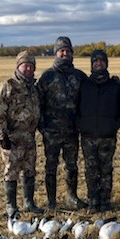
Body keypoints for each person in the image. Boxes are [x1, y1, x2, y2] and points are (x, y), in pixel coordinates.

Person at [37, 36, 87, 209]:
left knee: (71, 165)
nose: (65, 54)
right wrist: (42, 127)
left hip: (72, 131)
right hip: (51, 132)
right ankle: (52, 201)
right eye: (61, 51)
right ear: (55, 53)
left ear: (72, 53)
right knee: (51, 166)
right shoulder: (47, 77)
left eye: (68, 51)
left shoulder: (79, 76)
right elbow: (38, 103)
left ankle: (71, 197)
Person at [0, 50, 41, 217]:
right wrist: (2, 136)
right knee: (11, 171)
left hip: (29, 138)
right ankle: (11, 206)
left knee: (30, 170)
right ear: (18, 66)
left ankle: (29, 203)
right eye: (25, 65)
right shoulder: (8, 85)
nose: (28, 69)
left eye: (31, 66)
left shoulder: (33, 88)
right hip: (12, 139)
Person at [76, 49, 120, 212]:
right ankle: (93, 201)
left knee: (106, 170)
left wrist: (113, 125)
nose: (98, 63)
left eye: (102, 61)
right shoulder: (83, 85)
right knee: (91, 170)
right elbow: (75, 107)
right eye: (95, 61)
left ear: (106, 63)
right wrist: (81, 124)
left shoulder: (114, 86)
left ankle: (105, 201)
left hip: (107, 136)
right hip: (88, 136)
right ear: (91, 64)